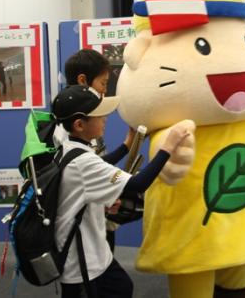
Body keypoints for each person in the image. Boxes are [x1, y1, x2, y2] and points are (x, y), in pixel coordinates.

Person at [51, 85, 192, 298]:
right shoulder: (82, 162)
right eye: (99, 115)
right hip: (82, 264)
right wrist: (168, 148)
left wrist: (127, 145)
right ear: (79, 125)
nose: (105, 118)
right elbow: (138, 184)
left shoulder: (70, 148)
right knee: (119, 289)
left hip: (94, 254)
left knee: (122, 287)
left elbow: (98, 168)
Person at [64, 48, 132, 251]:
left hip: (97, 212)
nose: (104, 90)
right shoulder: (68, 125)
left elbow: (96, 163)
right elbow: (87, 166)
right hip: (81, 225)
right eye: (103, 83)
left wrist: (126, 146)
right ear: (83, 80)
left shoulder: (82, 117)